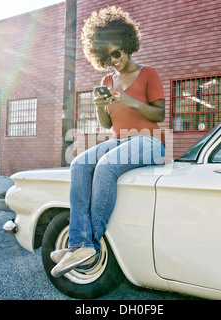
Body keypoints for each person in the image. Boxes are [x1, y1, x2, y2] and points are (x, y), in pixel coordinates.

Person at [51, 6, 166, 277]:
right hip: (120, 140)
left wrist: (130, 101)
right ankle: (78, 243)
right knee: (79, 164)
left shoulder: (149, 73)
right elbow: (106, 124)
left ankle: (89, 242)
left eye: (117, 52)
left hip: (150, 141)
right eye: (107, 55)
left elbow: (159, 114)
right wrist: (99, 105)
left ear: (128, 45)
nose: (114, 59)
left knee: (105, 166)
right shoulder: (107, 79)